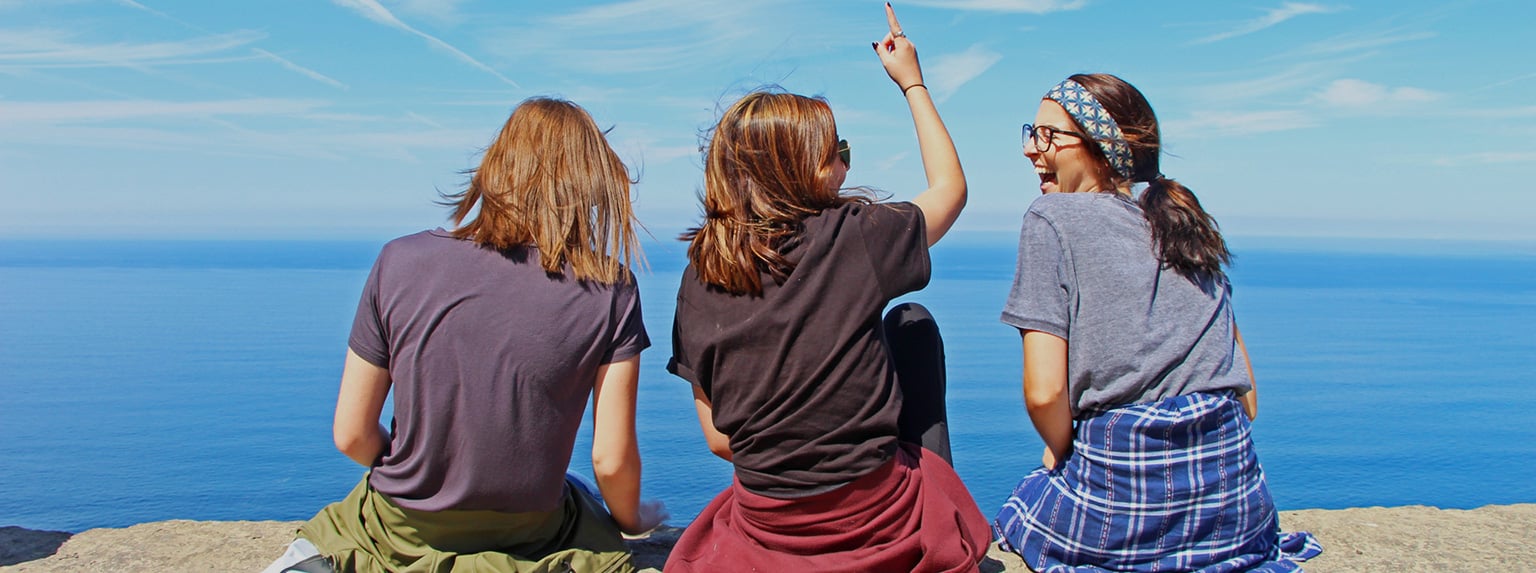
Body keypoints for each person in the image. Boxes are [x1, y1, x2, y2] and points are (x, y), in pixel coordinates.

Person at [262, 97, 665, 573]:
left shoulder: (399, 261)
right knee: (578, 488)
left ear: (495, 169)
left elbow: (351, 435)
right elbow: (611, 461)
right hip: (531, 533)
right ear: (590, 185)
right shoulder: (610, 288)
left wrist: (429, 476)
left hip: (401, 527)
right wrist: (633, 519)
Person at [662, 6, 989, 572]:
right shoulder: (855, 236)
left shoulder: (698, 276)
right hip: (880, 518)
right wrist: (912, 81)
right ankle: (936, 518)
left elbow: (719, 439)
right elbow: (950, 189)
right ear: (802, 169)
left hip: (772, 532)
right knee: (909, 323)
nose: (844, 162)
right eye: (837, 152)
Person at [992, 73, 1323, 571]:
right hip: (1238, 513)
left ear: (1099, 145)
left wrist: (1064, 455)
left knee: (1024, 504)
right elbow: (1247, 398)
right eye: (1031, 133)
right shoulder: (1182, 222)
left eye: (1047, 136)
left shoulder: (1051, 218)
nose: (1030, 149)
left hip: (1126, 503)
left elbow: (1044, 394)